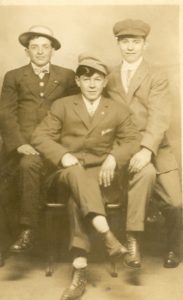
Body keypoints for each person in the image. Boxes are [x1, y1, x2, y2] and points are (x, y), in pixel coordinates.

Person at [32, 53, 140, 300]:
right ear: (78, 81)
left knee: (76, 200)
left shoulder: (117, 109)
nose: (92, 84)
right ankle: (107, 235)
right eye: (86, 78)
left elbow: (133, 139)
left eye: (97, 79)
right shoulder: (62, 105)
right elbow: (39, 136)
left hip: (100, 178)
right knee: (75, 175)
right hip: (64, 174)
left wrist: (114, 157)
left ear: (105, 82)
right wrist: (62, 156)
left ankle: (79, 270)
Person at [106, 18, 182, 268]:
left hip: (156, 146)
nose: (130, 47)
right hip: (121, 147)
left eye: (135, 42)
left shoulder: (157, 75)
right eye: (125, 42)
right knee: (127, 189)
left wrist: (147, 149)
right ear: (118, 44)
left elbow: (160, 115)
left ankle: (174, 248)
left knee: (175, 202)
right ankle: (131, 241)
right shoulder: (108, 76)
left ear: (145, 45)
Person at [0, 25, 78, 259]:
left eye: (45, 47)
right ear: (27, 52)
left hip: (55, 147)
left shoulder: (66, 76)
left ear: (53, 50)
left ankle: (28, 231)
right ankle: (15, 239)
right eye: (34, 47)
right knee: (15, 176)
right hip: (21, 147)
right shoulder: (14, 76)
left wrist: (62, 148)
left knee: (31, 168)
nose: (40, 52)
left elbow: (74, 112)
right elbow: (6, 113)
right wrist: (19, 144)